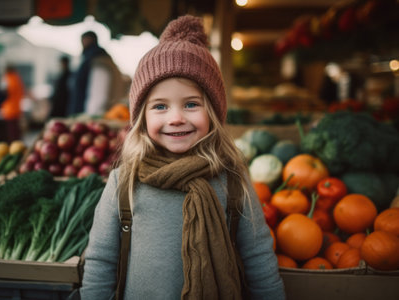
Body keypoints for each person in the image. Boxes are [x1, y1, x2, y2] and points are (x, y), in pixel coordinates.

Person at [80, 15, 286, 300]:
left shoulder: (232, 180)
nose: (176, 118)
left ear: (213, 113)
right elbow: (101, 263)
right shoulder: (124, 182)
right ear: (141, 117)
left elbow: (259, 259)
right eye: (160, 106)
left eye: (191, 104)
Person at [68, 31, 125, 117]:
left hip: (95, 113)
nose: (82, 43)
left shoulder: (99, 60)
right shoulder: (91, 58)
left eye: (83, 40)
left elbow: (99, 92)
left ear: (89, 39)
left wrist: (92, 115)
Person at [0, 64, 25, 142]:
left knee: (11, 133)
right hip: (17, 108)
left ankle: (14, 148)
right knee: (16, 132)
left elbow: (3, 93)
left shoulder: (6, 79)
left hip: (8, 110)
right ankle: (18, 146)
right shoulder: (17, 78)